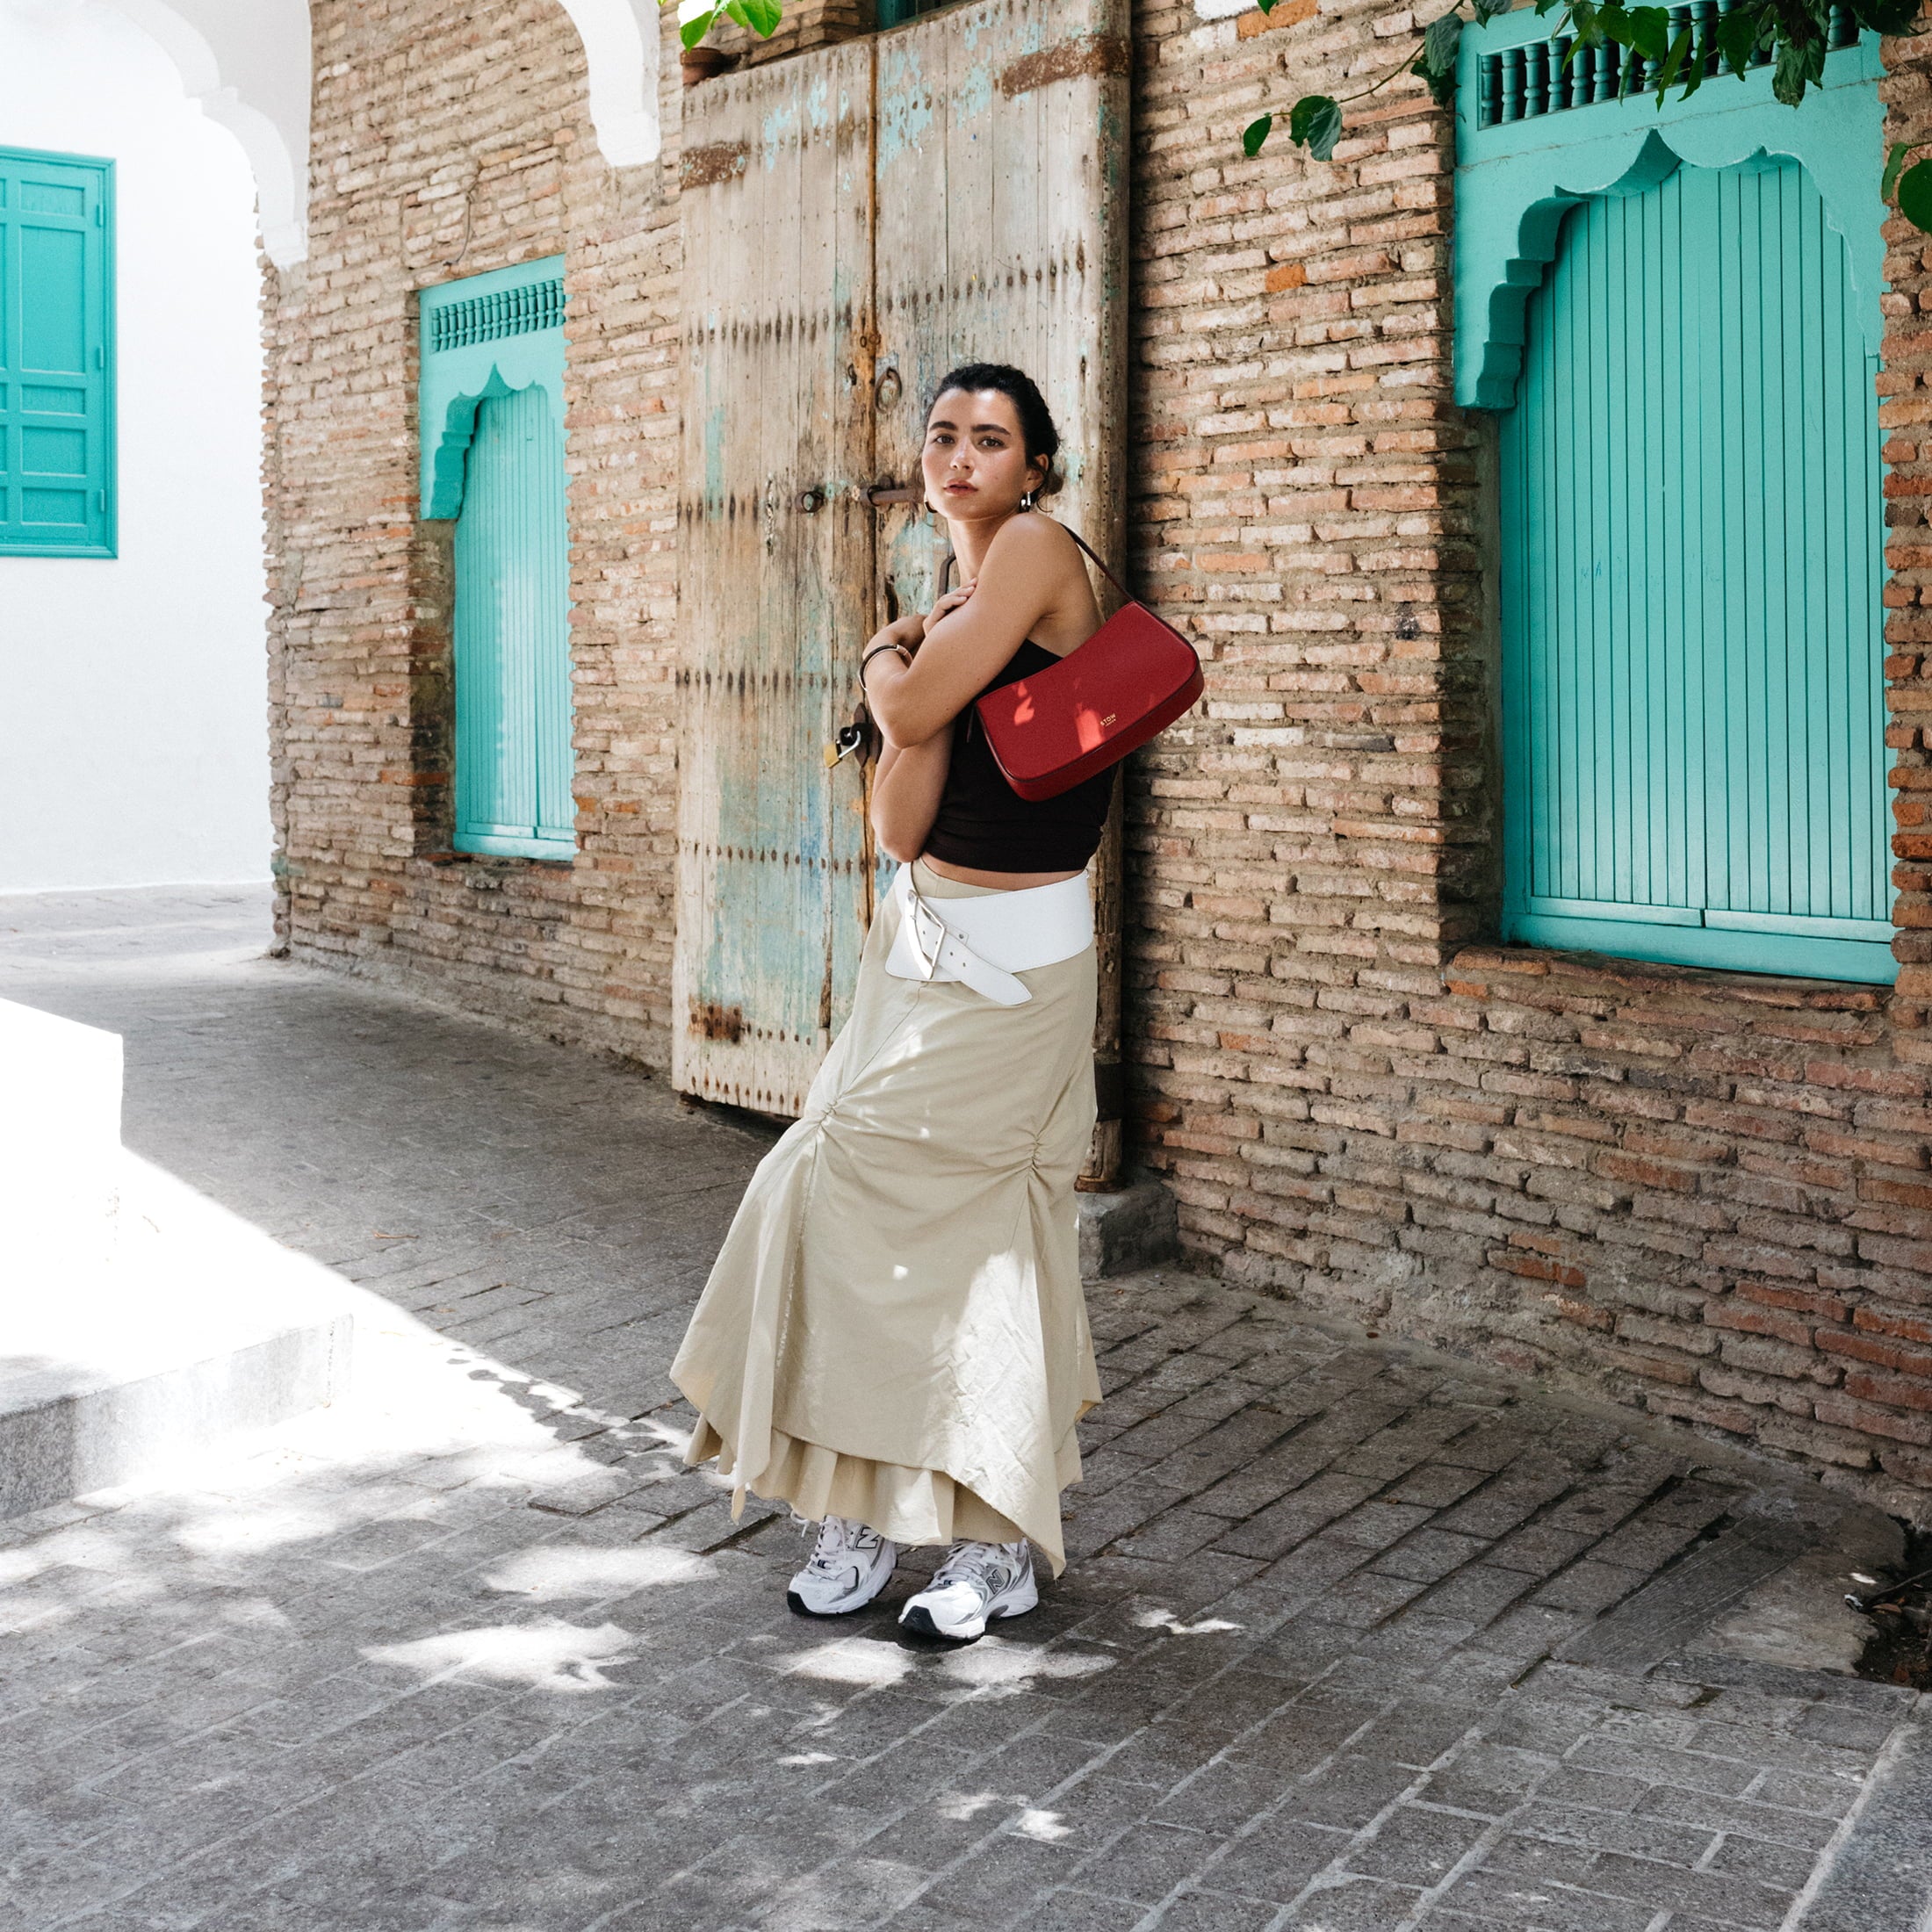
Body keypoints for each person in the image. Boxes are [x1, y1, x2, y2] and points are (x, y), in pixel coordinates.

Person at [671, 362, 1117, 1643]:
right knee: (832, 1194)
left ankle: (997, 1542)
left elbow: (913, 702)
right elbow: (898, 824)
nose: (961, 457)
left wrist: (884, 655)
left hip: (1020, 970)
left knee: (981, 1234)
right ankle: (861, 1504)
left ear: (1035, 464)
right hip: (918, 956)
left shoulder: (1033, 553)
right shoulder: (957, 595)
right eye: (942, 436)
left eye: (991, 438)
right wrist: (911, 655)